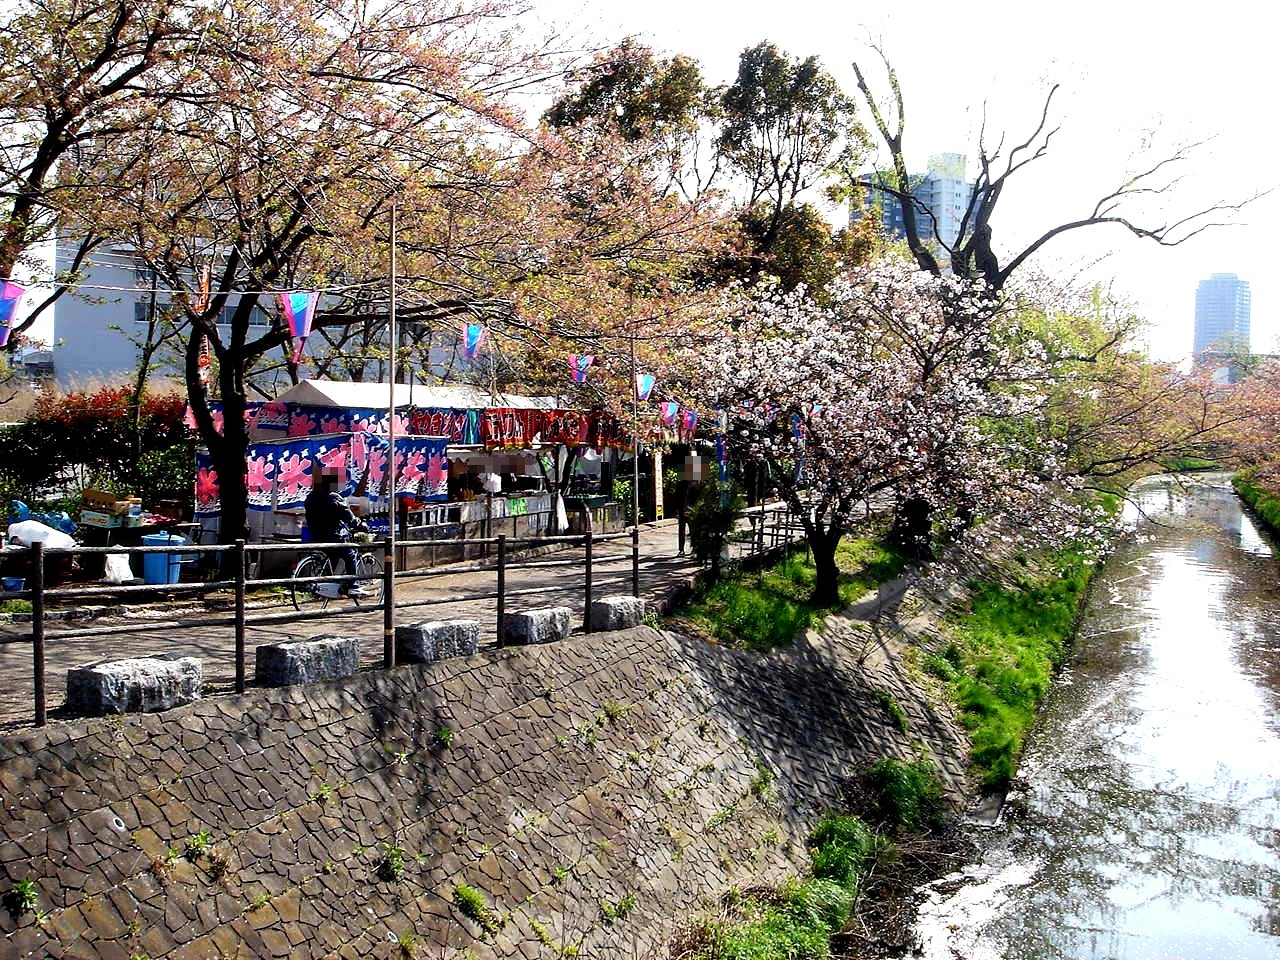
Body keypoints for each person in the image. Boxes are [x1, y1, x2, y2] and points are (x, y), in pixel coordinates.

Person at [304, 469, 368, 598]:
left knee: (333, 556)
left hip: (315, 536)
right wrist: (361, 525)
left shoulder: (310, 497)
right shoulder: (334, 498)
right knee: (350, 555)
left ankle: (326, 585)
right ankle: (353, 586)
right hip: (332, 536)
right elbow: (349, 518)